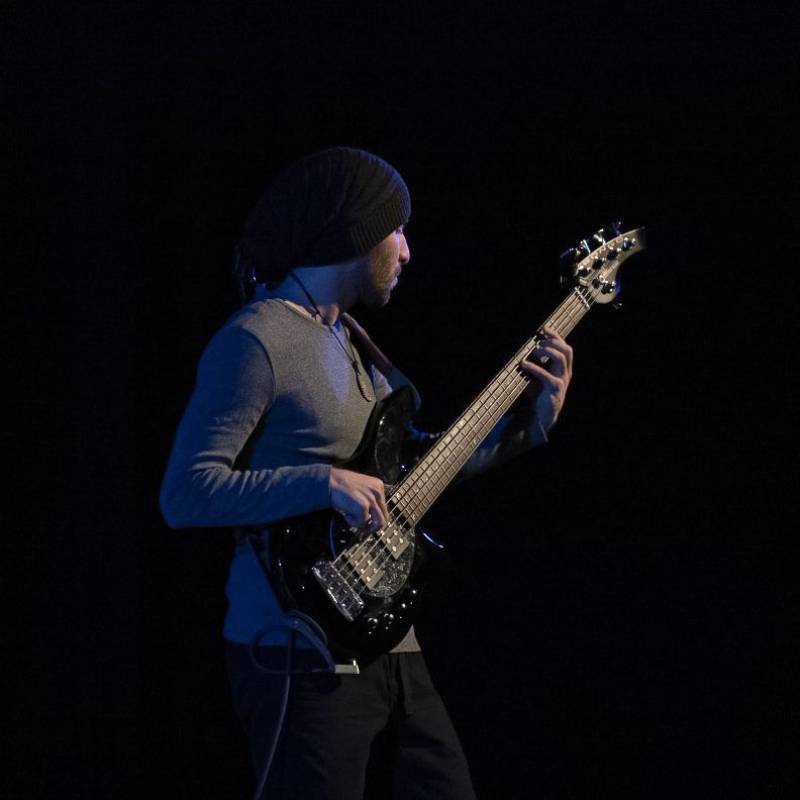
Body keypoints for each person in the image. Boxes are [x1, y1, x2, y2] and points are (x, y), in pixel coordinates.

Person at [159, 146, 573, 799]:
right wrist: (323, 483)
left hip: (390, 639)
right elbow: (186, 493)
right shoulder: (256, 340)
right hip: (300, 649)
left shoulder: (351, 340)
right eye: (397, 230)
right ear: (357, 233)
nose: (406, 251)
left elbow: (411, 477)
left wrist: (531, 425)